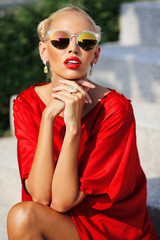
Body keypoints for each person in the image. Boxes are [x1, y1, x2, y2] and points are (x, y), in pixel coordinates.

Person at [7, 5, 158, 240]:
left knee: (23, 217)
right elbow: (39, 197)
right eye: (60, 40)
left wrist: (73, 127)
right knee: (23, 216)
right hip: (60, 223)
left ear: (95, 55)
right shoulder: (27, 105)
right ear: (43, 51)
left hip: (108, 228)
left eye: (85, 42)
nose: (73, 49)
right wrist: (48, 118)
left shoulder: (114, 110)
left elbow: (61, 202)